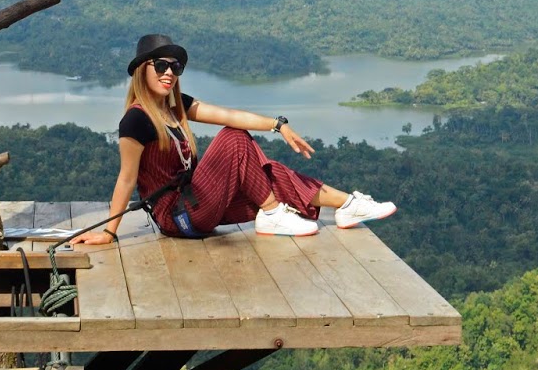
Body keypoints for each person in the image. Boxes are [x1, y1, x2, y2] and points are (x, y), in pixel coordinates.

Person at [74, 34, 397, 243]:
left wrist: (279, 124)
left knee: (269, 174)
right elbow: (126, 179)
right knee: (234, 139)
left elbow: (231, 114)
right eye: (161, 65)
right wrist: (107, 232)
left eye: (175, 67)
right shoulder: (136, 120)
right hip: (179, 216)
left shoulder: (177, 107)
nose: (169, 73)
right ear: (142, 70)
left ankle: (347, 206)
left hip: (199, 204)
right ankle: (272, 214)